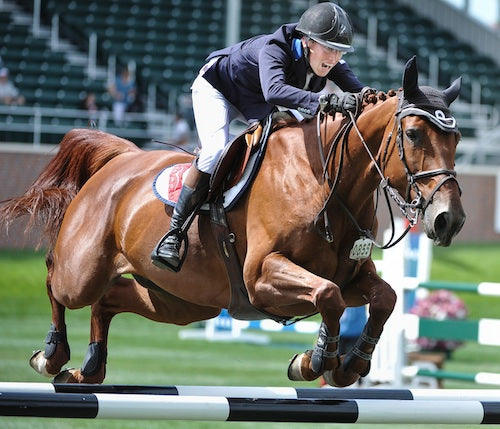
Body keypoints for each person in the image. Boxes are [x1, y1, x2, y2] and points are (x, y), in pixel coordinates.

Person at [151, 2, 364, 270]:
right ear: (308, 41)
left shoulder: (329, 60)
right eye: (329, 48)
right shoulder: (274, 48)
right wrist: (325, 100)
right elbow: (274, 91)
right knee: (215, 151)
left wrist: (387, 101)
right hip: (218, 89)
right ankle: (174, 233)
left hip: (254, 101)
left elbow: (361, 93)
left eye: (340, 51)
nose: (334, 58)